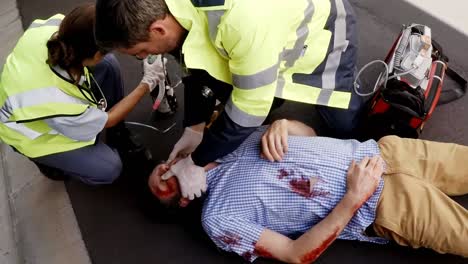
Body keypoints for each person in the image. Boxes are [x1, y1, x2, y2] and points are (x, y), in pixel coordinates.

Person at [94, 0, 364, 199]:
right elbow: (195, 63)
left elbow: (249, 108)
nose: (142, 58)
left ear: (158, 30)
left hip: (322, 29)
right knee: (252, 90)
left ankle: (368, 134)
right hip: (264, 34)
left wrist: (195, 162)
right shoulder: (173, 11)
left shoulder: (241, 22)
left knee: (341, 120)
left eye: (140, 51)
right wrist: (194, 126)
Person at [147, 119, 468, 263]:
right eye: (160, 183)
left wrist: (284, 124)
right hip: (384, 204)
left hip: (386, 153)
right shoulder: (219, 217)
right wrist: (354, 199)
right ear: (181, 202)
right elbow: (294, 254)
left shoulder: (226, 139)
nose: (164, 170)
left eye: (162, 165)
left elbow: (309, 134)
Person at [0, 4, 165, 185]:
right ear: (94, 55)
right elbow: (108, 119)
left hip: (25, 92)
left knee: (108, 64)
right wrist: (147, 83)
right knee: (109, 168)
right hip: (31, 135)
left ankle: (118, 136)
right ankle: (50, 163)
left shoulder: (60, 27)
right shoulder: (57, 101)